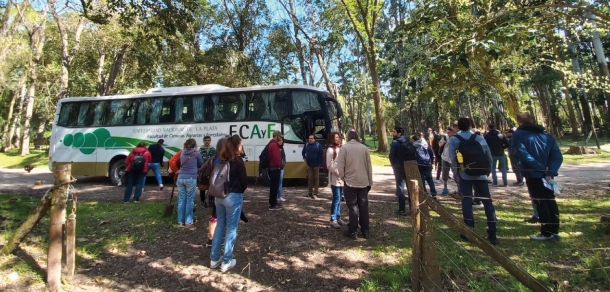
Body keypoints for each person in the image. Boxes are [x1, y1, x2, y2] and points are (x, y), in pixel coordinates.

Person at [511, 113, 563, 241]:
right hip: (547, 175)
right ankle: (554, 230)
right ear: (532, 120)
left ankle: (547, 233)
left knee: (540, 202)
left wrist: (541, 168)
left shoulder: (518, 135)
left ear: (519, 122)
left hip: (534, 174)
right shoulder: (546, 135)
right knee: (550, 200)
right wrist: (550, 170)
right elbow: (557, 156)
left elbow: (522, 154)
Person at [448, 117, 499, 245]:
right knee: (487, 202)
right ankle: (492, 233)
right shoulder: (479, 138)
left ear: (458, 126)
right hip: (481, 174)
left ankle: (469, 230)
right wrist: (487, 171)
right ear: (470, 126)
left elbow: (453, 159)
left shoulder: (454, 139)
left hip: (465, 174)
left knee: (466, 201)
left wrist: (456, 173)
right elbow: (488, 155)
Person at [210, 135, 248, 273]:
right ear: (237, 146)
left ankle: (214, 259)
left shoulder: (221, 159)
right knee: (231, 228)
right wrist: (240, 192)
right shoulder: (237, 161)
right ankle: (226, 261)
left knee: (220, 225)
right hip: (233, 197)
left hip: (219, 196)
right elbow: (244, 181)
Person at [337, 130, 373, 240]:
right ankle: (365, 230)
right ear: (357, 137)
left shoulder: (344, 148)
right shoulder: (364, 148)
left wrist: (344, 178)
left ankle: (353, 231)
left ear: (348, 137)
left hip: (350, 182)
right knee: (363, 206)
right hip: (363, 182)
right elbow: (369, 166)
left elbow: (340, 166)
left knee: (352, 207)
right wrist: (370, 181)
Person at [200, 136, 229, 247]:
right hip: (223, 191)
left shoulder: (214, 157)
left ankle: (211, 238)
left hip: (214, 190)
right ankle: (217, 238)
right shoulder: (225, 160)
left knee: (215, 214)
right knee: (221, 215)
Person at [176, 139, 204, 226]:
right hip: (191, 178)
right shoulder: (196, 153)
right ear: (194, 145)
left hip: (180, 178)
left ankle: (180, 220)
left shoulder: (182, 152)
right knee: (189, 200)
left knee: (181, 199)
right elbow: (201, 163)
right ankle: (188, 221)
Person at [389, 126, 410, 216]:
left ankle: (402, 209)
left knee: (401, 188)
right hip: (408, 166)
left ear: (399, 133)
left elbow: (391, 156)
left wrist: (393, 164)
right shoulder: (408, 141)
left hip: (398, 167)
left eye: (394, 132)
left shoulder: (395, 142)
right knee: (410, 187)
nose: (392, 134)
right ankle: (413, 207)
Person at [326, 132, 346, 228]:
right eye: (336, 137)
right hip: (335, 178)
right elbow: (329, 165)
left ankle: (338, 217)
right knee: (336, 198)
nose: (338, 138)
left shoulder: (341, 148)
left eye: (339, 137)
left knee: (339, 199)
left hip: (342, 178)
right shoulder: (330, 150)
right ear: (332, 139)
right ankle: (333, 219)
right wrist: (338, 172)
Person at [412, 134, 438, 198]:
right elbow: (432, 155)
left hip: (420, 164)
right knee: (429, 179)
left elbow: (413, 156)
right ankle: (433, 193)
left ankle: (424, 193)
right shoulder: (426, 145)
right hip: (428, 164)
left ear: (413, 140)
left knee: (421, 179)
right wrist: (431, 162)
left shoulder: (414, 146)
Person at [302, 134, 324, 199]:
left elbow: (321, 155)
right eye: (309, 138)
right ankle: (310, 192)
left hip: (316, 165)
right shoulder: (306, 145)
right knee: (310, 179)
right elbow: (303, 152)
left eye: (311, 138)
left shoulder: (318, 145)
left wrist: (321, 164)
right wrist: (304, 157)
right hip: (309, 164)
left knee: (316, 179)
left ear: (314, 139)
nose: (310, 139)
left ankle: (316, 193)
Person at [438, 127, 459, 195]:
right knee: (445, 173)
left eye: (449, 132)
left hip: (453, 158)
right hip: (444, 157)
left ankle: (459, 189)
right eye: (447, 132)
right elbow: (440, 144)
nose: (448, 133)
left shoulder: (456, 137)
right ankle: (445, 188)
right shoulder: (445, 137)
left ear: (453, 132)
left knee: (456, 174)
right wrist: (443, 143)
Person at [268, 131, 283, 210]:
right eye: (280, 136)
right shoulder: (274, 145)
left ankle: (274, 202)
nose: (280, 138)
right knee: (274, 187)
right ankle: (273, 204)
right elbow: (276, 158)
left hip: (273, 168)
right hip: (275, 168)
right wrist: (279, 166)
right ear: (276, 136)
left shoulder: (272, 144)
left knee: (274, 186)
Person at [199, 136, 216, 206]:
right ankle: (203, 201)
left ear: (210, 141)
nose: (207, 141)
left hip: (211, 170)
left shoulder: (213, 150)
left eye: (208, 140)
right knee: (202, 186)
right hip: (203, 171)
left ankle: (211, 200)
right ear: (203, 141)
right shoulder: (200, 150)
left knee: (211, 186)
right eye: (205, 140)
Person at [277, 137, 287, 202]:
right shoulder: (276, 148)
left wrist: (283, 164)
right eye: (280, 140)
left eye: (282, 140)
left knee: (280, 182)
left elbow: (284, 156)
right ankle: (276, 196)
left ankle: (280, 196)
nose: (281, 142)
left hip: (281, 167)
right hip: (277, 167)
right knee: (276, 182)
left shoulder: (282, 148)